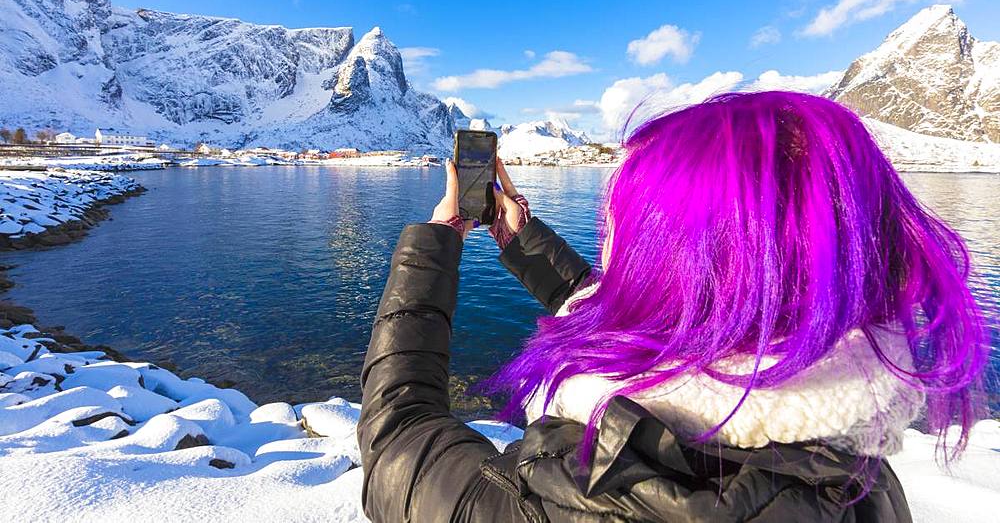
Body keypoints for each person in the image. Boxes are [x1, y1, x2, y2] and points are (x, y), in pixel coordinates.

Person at [358, 91, 989, 522]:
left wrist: (438, 240)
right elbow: (663, 318)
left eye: (630, 241)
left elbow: (397, 441)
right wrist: (522, 243)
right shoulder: (859, 485)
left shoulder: (568, 499)